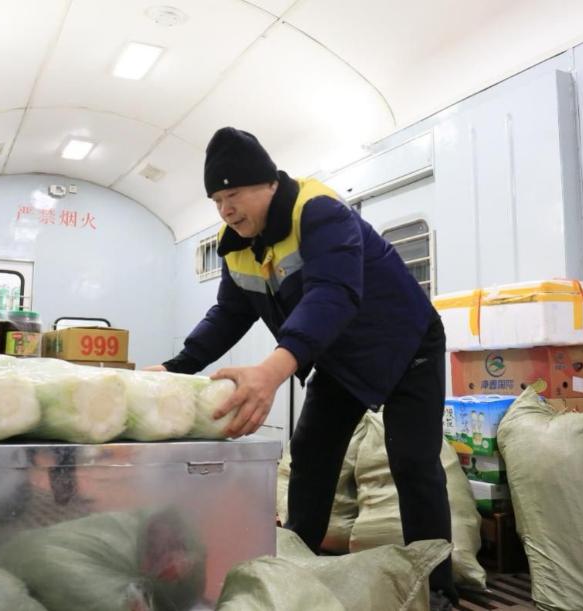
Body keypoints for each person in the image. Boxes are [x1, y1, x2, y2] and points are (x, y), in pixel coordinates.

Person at [154, 126, 456, 609]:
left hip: (407, 343)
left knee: (413, 462)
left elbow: (333, 294)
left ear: (269, 183)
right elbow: (229, 314)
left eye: (233, 195)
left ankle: (437, 586)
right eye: (217, 201)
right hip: (341, 357)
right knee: (311, 455)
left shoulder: (319, 212)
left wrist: (272, 370)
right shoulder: (235, 245)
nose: (226, 210)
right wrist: (176, 366)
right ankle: (294, 567)